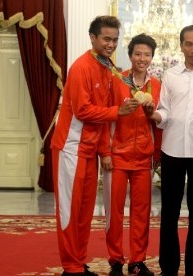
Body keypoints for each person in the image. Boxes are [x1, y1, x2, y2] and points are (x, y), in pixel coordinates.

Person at [50, 15, 139, 276]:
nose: (111, 44)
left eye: (115, 39)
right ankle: (71, 267)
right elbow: (83, 110)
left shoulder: (108, 66)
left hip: (89, 149)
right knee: (69, 210)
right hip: (70, 147)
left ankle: (78, 261)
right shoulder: (81, 67)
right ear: (93, 38)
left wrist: (103, 151)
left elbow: (101, 118)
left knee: (85, 212)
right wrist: (118, 112)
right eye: (106, 39)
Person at [144, 24, 193, 276]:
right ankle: (168, 268)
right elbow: (165, 111)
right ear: (181, 46)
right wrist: (154, 115)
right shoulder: (170, 76)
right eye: (188, 44)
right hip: (172, 150)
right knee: (169, 211)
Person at [99, 33, 162, 276]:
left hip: (143, 157)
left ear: (152, 58)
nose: (142, 58)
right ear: (130, 55)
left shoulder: (156, 86)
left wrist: (156, 154)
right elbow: (105, 117)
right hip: (116, 157)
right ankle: (115, 260)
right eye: (138, 54)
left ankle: (137, 261)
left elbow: (159, 123)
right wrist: (104, 151)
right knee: (114, 212)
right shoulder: (117, 81)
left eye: (147, 55)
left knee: (141, 212)